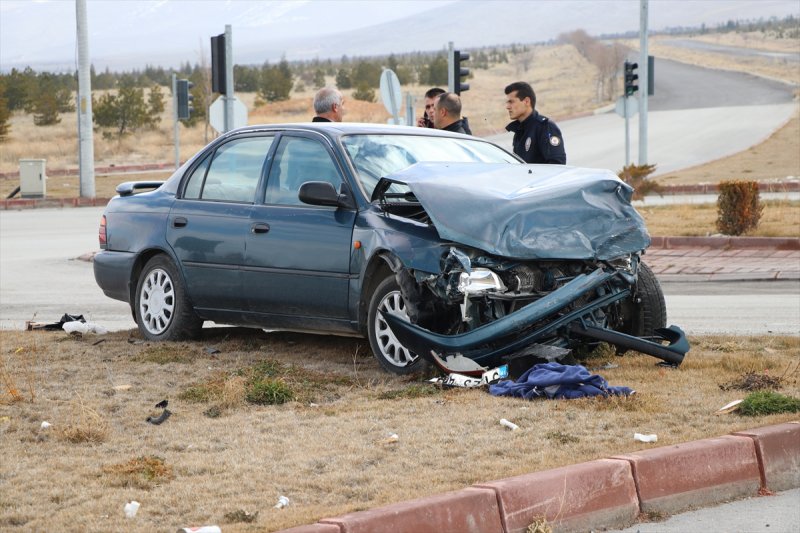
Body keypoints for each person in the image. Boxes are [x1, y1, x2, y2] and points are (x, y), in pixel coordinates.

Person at [504, 81, 566, 164]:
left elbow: (557, 165)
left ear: (526, 101)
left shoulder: (545, 127)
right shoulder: (519, 132)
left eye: (511, 102)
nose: (507, 107)